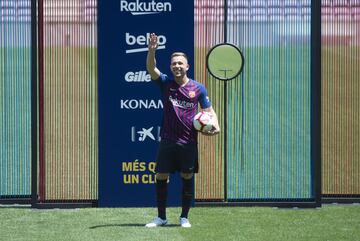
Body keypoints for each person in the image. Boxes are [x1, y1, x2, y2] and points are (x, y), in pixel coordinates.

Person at [145, 33, 220, 228]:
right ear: (171, 67)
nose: (177, 66)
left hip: (188, 142)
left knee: (187, 177)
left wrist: (216, 126)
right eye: (174, 64)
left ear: (187, 67)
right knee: (161, 176)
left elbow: (209, 111)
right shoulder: (165, 84)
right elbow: (151, 68)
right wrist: (152, 50)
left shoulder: (198, 88)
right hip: (168, 140)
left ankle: (184, 217)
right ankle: (161, 217)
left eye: (180, 63)